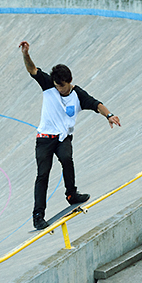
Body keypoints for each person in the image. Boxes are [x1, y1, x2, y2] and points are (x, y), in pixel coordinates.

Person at [19, 41, 121, 230]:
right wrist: (26, 53)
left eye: (62, 86)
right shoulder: (48, 84)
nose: (59, 89)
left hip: (63, 138)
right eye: (57, 86)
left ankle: (71, 194)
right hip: (44, 139)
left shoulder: (77, 94)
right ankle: (38, 215)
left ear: (69, 81)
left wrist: (109, 115)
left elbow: (95, 104)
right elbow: (32, 69)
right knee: (43, 175)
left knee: (67, 159)